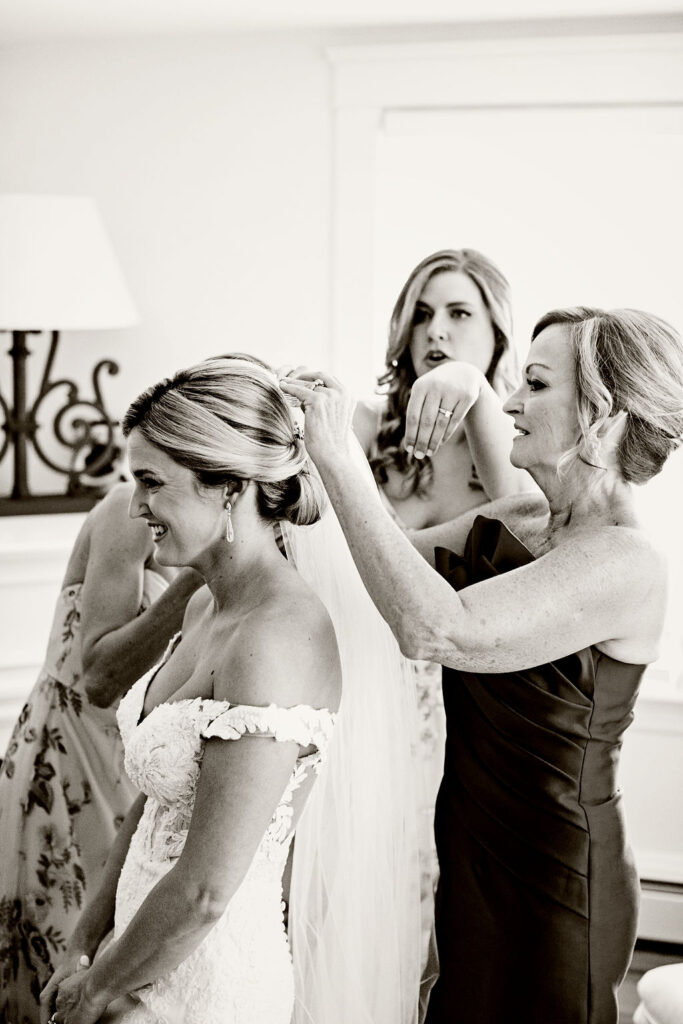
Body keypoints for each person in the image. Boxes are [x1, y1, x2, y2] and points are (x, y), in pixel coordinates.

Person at [280, 306, 683, 1024]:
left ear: (604, 416)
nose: (509, 402)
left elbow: (437, 628)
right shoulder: (515, 519)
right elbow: (380, 564)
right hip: (469, 845)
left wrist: (338, 455)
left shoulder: (628, 561)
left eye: (533, 383)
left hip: (556, 874)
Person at [41, 357, 422, 1024]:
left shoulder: (276, 638)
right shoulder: (203, 609)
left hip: (205, 982)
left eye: (151, 483)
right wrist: (83, 945)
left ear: (227, 489)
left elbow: (207, 891)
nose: (136, 509)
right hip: (136, 953)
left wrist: (99, 988)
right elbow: (150, 807)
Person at [351, 249, 531, 954]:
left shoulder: (513, 443)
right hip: (359, 677)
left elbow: (522, 515)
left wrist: (467, 385)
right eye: (422, 313)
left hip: (463, 701)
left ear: (495, 333)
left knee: (431, 903)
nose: (437, 330)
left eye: (459, 313)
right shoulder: (368, 430)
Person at [0, 483, 203, 1024]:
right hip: (68, 766)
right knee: (60, 961)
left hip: (138, 773)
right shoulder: (127, 511)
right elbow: (98, 676)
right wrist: (191, 587)